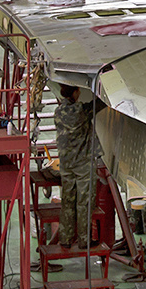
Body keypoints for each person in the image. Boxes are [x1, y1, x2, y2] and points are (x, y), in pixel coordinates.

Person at [53, 84, 94, 248]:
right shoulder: (82, 111)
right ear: (75, 93)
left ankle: (65, 238)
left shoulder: (58, 112)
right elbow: (99, 104)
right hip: (82, 163)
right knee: (84, 203)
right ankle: (84, 240)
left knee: (67, 202)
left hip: (66, 163)